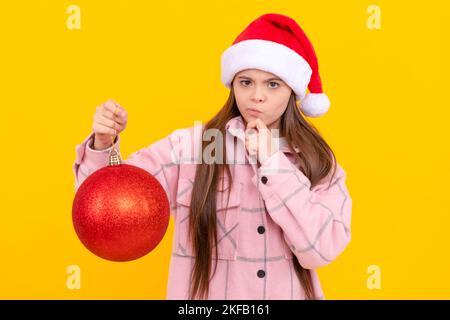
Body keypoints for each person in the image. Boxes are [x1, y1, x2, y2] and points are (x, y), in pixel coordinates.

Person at [73, 13, 352, 300]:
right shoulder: (196, 147)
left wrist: (273, 163)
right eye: (246, 82)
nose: (257, 96)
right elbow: (103, 209)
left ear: (292, 91)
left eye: (272, 84)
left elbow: (321, 250)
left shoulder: (314, 158)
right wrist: (103, 142)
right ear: (233, 85)